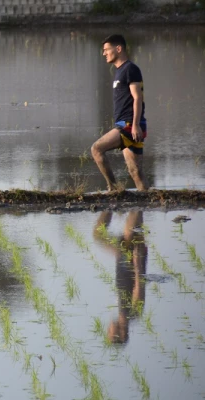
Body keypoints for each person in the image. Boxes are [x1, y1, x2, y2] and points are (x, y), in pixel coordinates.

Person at [91, 34, 148, 191]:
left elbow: (137, 98)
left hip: (129, 124)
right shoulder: (119, 71)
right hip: (127, 124)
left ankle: (113, 189)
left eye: (106, 49)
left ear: (118, 48)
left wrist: (136, 125)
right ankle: (146, 202)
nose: (104, 53)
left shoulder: (130, 69)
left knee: (96, 149)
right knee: (135, 172)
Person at [93, 210, 147, 344]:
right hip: (130, 258)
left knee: (99, 235)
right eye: (110, 333)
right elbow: (139, 287)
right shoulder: (130, 314)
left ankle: (113, 201)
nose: (108, 329)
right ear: (120, 333)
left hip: (124, 258)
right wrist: (137, 261)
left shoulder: (127, 315)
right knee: (130, 230)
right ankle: (134, 198)